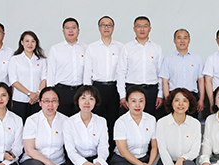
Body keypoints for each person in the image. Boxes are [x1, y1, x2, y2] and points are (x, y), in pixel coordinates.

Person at [19, 87, 68, 165]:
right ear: (40, 103)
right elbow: (29, 150)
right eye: (46, 101)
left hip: (57, 161)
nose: (50, 105)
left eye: (54, 101)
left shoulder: (66, 121)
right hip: (33, 161)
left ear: (58, 103)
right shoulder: (32, 120)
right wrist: (50, 164)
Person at [63, 85, 111, 165]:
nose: (86, 102)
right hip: (76, 162)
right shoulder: (69, 123)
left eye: (91, 99)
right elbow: (71, 152)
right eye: (83, 98)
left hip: (95, 159)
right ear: (77, 100)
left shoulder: (101, 121)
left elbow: (104, 147)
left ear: (96, 102)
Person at [110, 86, 159, 165]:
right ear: (127, 103)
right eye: (133, 101)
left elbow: (154, 147)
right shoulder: (121, 122)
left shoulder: (151, 120)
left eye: (141, 101)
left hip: (143, 158)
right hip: (122, 160)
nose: (137, 105)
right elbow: (123, 151)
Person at [83, 16, 123, 154]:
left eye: (109, 25)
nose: (106, 27)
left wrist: (122, 94)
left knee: (113, 122)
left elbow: (122, 72)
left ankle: (110, 154)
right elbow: (87, 71)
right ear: (99, 28)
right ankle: (95, 152)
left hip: (114, 89)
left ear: (113, 28)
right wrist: (87, 94)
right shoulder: (92, 48)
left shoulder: (120, 47)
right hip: (97, 89)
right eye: (103, 25)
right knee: (95, 121)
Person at [156, 88, 202, 165]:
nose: (181, 104)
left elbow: (195, 150)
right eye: (177, 100)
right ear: (171, 103)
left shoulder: (195, 123)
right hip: (167, 163)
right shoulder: (162, 123)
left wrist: (182, 159)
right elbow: (163, 151)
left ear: (189, 104)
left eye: (185, 101)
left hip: (186, 163)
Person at [117, 16, 164, 118]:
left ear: (150, 29)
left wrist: (160, 94)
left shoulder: (157, 48)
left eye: (145, 26)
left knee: (150, 119)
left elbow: (161, 73)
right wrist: (122, 95)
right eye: (139, 26)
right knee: (131, 120)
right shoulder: (127, 48)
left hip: (151, 90)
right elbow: (121, 72)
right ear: (134, 29)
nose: (142, 29)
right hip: (132, 89)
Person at [160, 28, 205, 118]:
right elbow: (165, 82)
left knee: (192, 123)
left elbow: (201, 80)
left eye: (185, 38)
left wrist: (201, 99)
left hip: (192, 97)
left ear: (189, 40)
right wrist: (168, 100)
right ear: (174, 40)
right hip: (174, 97)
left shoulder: (197, 58)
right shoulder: (168, 59)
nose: (182, 41)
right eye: (179, 38)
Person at [47, 18, 86, 116]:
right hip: (61, 91)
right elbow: (51, 72)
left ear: (78, 30)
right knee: (61, 120)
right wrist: (50, 94)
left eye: (73, 28)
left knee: (79, 120)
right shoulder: (55, 49)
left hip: (80, 91)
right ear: (63, 31)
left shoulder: (86, 48)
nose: (71, 31)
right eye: (67, 28)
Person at [8, 31, 47, 122]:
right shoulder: (15, 59)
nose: (30, 44)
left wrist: (38, 94)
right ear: (22, 42)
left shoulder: (41, 60)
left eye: (33, 41)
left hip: (37, 101)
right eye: (27, 41)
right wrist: (29, 94)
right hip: (20, 100)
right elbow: (13, 81)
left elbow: (44, 78)